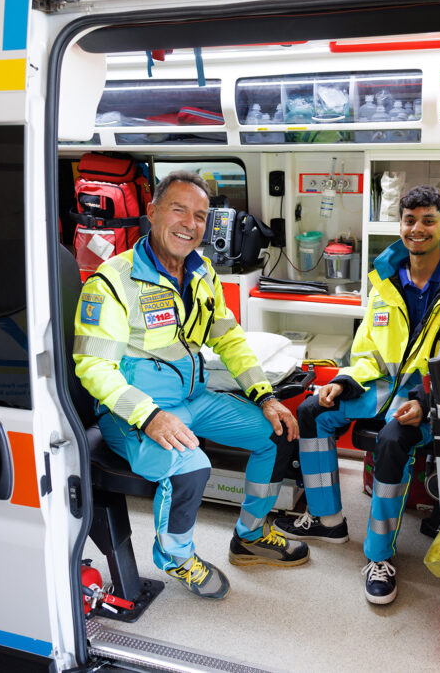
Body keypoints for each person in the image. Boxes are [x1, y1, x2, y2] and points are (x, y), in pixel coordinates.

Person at [74, 170, 308, 600]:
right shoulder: (112, 280)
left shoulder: (201, 274)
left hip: (193, 398)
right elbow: (92, 365)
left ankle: (250, 535)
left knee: (275, 435)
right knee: (192, 465)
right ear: (152, 212)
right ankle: (176, 556)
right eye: (178, 210)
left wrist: (266, 396)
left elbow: (229, 339)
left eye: (200, 215)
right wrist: (149, 416)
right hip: (135, 413)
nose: (190, 223)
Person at [275, 185, 440, 605]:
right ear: (399, 224)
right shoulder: (384, 281)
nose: (417, 229)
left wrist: (423, 401)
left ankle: (379, 556)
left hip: (429, 399)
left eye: (427, 221)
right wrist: (343, 382)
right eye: (409, 220)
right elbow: (367, 351)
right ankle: (328, 518)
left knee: (391, 442)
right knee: (313, 410)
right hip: (379, 389)